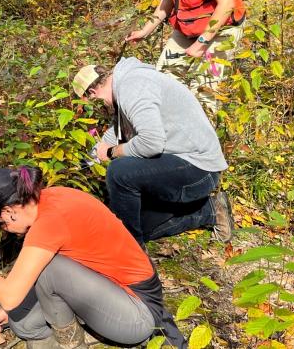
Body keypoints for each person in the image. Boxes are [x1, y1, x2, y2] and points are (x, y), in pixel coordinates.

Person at [0, 166, 185, 349]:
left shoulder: (49, 223)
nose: (2, 230)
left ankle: (71, 344)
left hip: (139, 312)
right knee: (22, 323)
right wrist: (8, 311)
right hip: (116, 293)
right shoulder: (51, 198)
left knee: (48, 271)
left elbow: (10, 296)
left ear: (8, 211)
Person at [71, 59, 234, 246]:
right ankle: (210, 211)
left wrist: (111, 153)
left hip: (199, 169)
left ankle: (130, 251)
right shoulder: (125, 85)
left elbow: (151, 143)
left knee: (119, 172)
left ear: (92, 93)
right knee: (132, 222)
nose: (100, 107)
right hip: (182, 164)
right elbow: (116, 131)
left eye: (93, 102)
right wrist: (84, 164)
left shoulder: (132, 87)